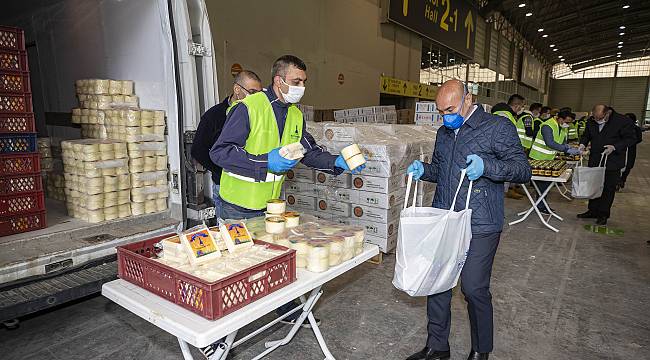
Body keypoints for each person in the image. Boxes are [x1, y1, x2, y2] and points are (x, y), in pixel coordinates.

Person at [207, 55, 364, 354]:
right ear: (278, 81)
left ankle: (288, 310)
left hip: (270, 208)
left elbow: (308, 151)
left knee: (271, 264)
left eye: (304, 82)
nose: (301, 87)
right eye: (296, 82)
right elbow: (220, 153)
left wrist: (336, 162)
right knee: (231, 273)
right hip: (237, 205)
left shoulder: (294, 115)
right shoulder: (248, 108)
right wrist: (267, 160)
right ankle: (216, 339)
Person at [405, 79, 531, 360]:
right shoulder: (444, 132)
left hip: (481, 220)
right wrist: (423, 170)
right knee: (437, 283)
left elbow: (522, 170)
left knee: (474, 288)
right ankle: (437, 347)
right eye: (440, 111)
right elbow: (440, 171)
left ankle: (480, 350)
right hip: (446, 218)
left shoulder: (497, 128)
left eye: (450, 109)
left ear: (468, 99)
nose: (445, 116)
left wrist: (488, 166)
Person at [191, 70, 263, 209]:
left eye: (260, 94)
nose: (257, 98)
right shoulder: (214, 116)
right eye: (253, 92)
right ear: (237, 89)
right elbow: (198, 149)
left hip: (252, 186)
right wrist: (220, 169)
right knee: (230, 228)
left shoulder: (260, 115)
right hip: (225, 186)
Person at [577, 105, 637, 225]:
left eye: (600, 118)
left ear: (607, 113)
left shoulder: (622, 121)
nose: (597, 121)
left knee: (608, 188)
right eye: (595, 118)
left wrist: (615, 147)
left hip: (613, 161)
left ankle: (603, 214)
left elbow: (631, 139)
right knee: (594, 185)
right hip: (595, 158)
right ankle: (592, 210)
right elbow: (586, 135)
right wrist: (583, 144)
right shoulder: (591, 120)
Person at [528, 110, 581, 214]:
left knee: (546, 185)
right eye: (567, 121)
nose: (568, 124)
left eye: (570, 122)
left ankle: (541, 205)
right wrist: (567, 150)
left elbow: (561, 142)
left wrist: (567, 147)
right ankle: (540, 206)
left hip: (549, 159)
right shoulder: (547, 125)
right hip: (538, 158)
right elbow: (550, 143)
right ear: (560, 118)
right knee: (542, 185)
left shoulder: (562, 127)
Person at [492, 94, 527, 200]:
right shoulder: (504, 115)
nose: (521, 109)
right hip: (501, 153)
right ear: (517, 105)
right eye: (521, 106)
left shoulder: (507, 114)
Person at [617, 113, 643, 190]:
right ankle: (616, 181)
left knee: (628, 165)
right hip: (621, 149)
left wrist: (630, 142)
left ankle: (622, 179)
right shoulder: (620, 127)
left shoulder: (636, 129)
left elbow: (639, 139)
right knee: (618, 165)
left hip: (631, 150)